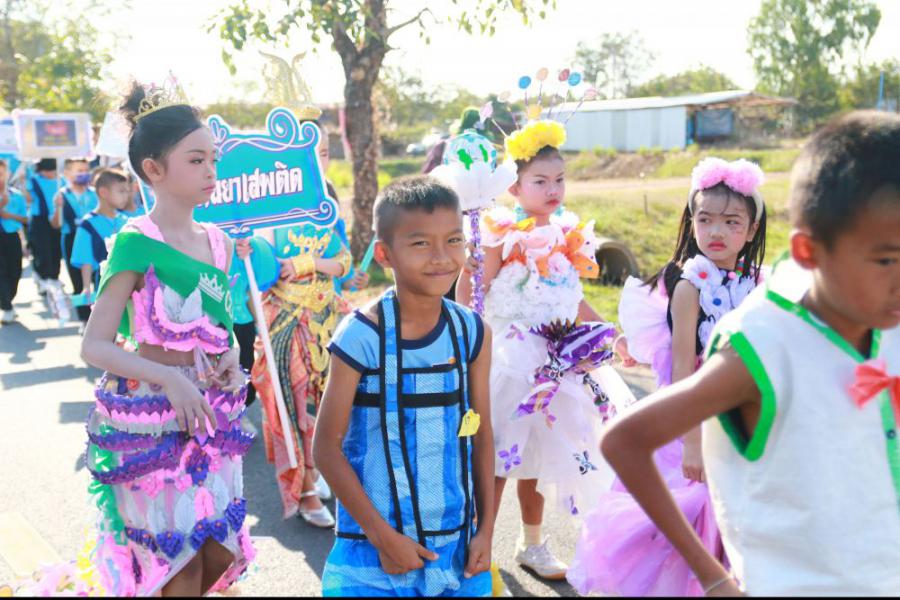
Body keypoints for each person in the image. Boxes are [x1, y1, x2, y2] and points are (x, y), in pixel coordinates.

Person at [600, 110, 900, 596]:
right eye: (885, 259)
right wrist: (715, 580)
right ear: (809, 252)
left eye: (731, 221)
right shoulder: (761, 344)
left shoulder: (882, 321)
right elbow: (625, 440)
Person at [78, 79, 255, 596]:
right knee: (175, 566)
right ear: (153, 170)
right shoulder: (134, 242)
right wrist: (169, 379)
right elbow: (94, 345)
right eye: (196, 160)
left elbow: (222, 330)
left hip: (210, 415)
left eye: (213, 159)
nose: (211, 172)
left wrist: (231, 354)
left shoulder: (220, 244)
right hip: (151, 419)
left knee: (218, 553)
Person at [567, 157, 768, 596]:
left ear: (751, 230)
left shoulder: (757, 283)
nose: (716, 231)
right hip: (688, 422)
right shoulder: (690, 285)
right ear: (691, 222)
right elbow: (681, 370)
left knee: (734, 519)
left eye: (731, 222)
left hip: (740, 418)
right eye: (705, 219)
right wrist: (691, 443)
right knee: (684, 522)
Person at [314, 176, 495, 597]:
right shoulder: (360, 336)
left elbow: (482, 433)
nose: (441, 257)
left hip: (457, 549)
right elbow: (325, 448)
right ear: (384, 254)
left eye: (453, 240)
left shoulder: (472, 331)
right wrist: (384, 538)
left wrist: (486, 530)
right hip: (374, 553)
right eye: (420, 244)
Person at [457, 119, 616, 581]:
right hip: (510, 363)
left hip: (558, 363)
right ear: (515, 186)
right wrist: (464, 326)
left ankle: (532, 543)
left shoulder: (567, 234)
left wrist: (608, 332)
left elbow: (572, 298)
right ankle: (481, 545)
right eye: (540, 181)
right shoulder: (500, 233)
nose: (553, 190)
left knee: (539, 460)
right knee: (497, 458)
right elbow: (472, 294)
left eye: (559, 180)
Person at [241, 116, 367, 528]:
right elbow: (256, 273)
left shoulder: (324, 203)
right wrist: (246, 253)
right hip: (285, 324)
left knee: (335, 404)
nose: (316, 161)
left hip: (329, 319)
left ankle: (324, 466)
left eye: (324, 153)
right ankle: (306, 488)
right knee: (291, 408)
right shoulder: (264, 209)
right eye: (306, 153)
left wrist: (309, 262)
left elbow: (343, 260)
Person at [69, 168, 131, 311]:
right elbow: (86, 258)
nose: (126, 196)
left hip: (130, 281)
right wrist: (86, 287)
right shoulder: (88, 224)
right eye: (121, 191)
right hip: (104, 282)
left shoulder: (126, 220)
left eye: (127, 191)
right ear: (103, 192)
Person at [52, 157, 99, 321]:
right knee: (78, 281)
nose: (84, 174)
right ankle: (84, 319)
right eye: (79, 171)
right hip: (72, 240)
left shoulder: (95, 193)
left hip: (94, 239)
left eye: (86, 170)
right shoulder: (61, 195)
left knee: (99, 278)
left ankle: (101, 317)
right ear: (67, 173)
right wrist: (58, 207)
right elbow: (56, 224)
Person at [24, 158, 62, 292]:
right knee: (41, 250)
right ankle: (43, 278)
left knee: (56, 249)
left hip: (57, 218)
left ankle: (54, 277)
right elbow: (28, 199)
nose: (50, 173)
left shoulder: (61, 180)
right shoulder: (33, 180)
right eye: (47, 170)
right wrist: (23, 183)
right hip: (40, 220)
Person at [0, 158, 28, 324]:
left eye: (1, 173)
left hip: (11, 236)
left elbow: (26, 218)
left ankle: (7, 300)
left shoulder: (16, 195)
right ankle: (7, 307)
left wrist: (8, 215)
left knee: (15, 271)